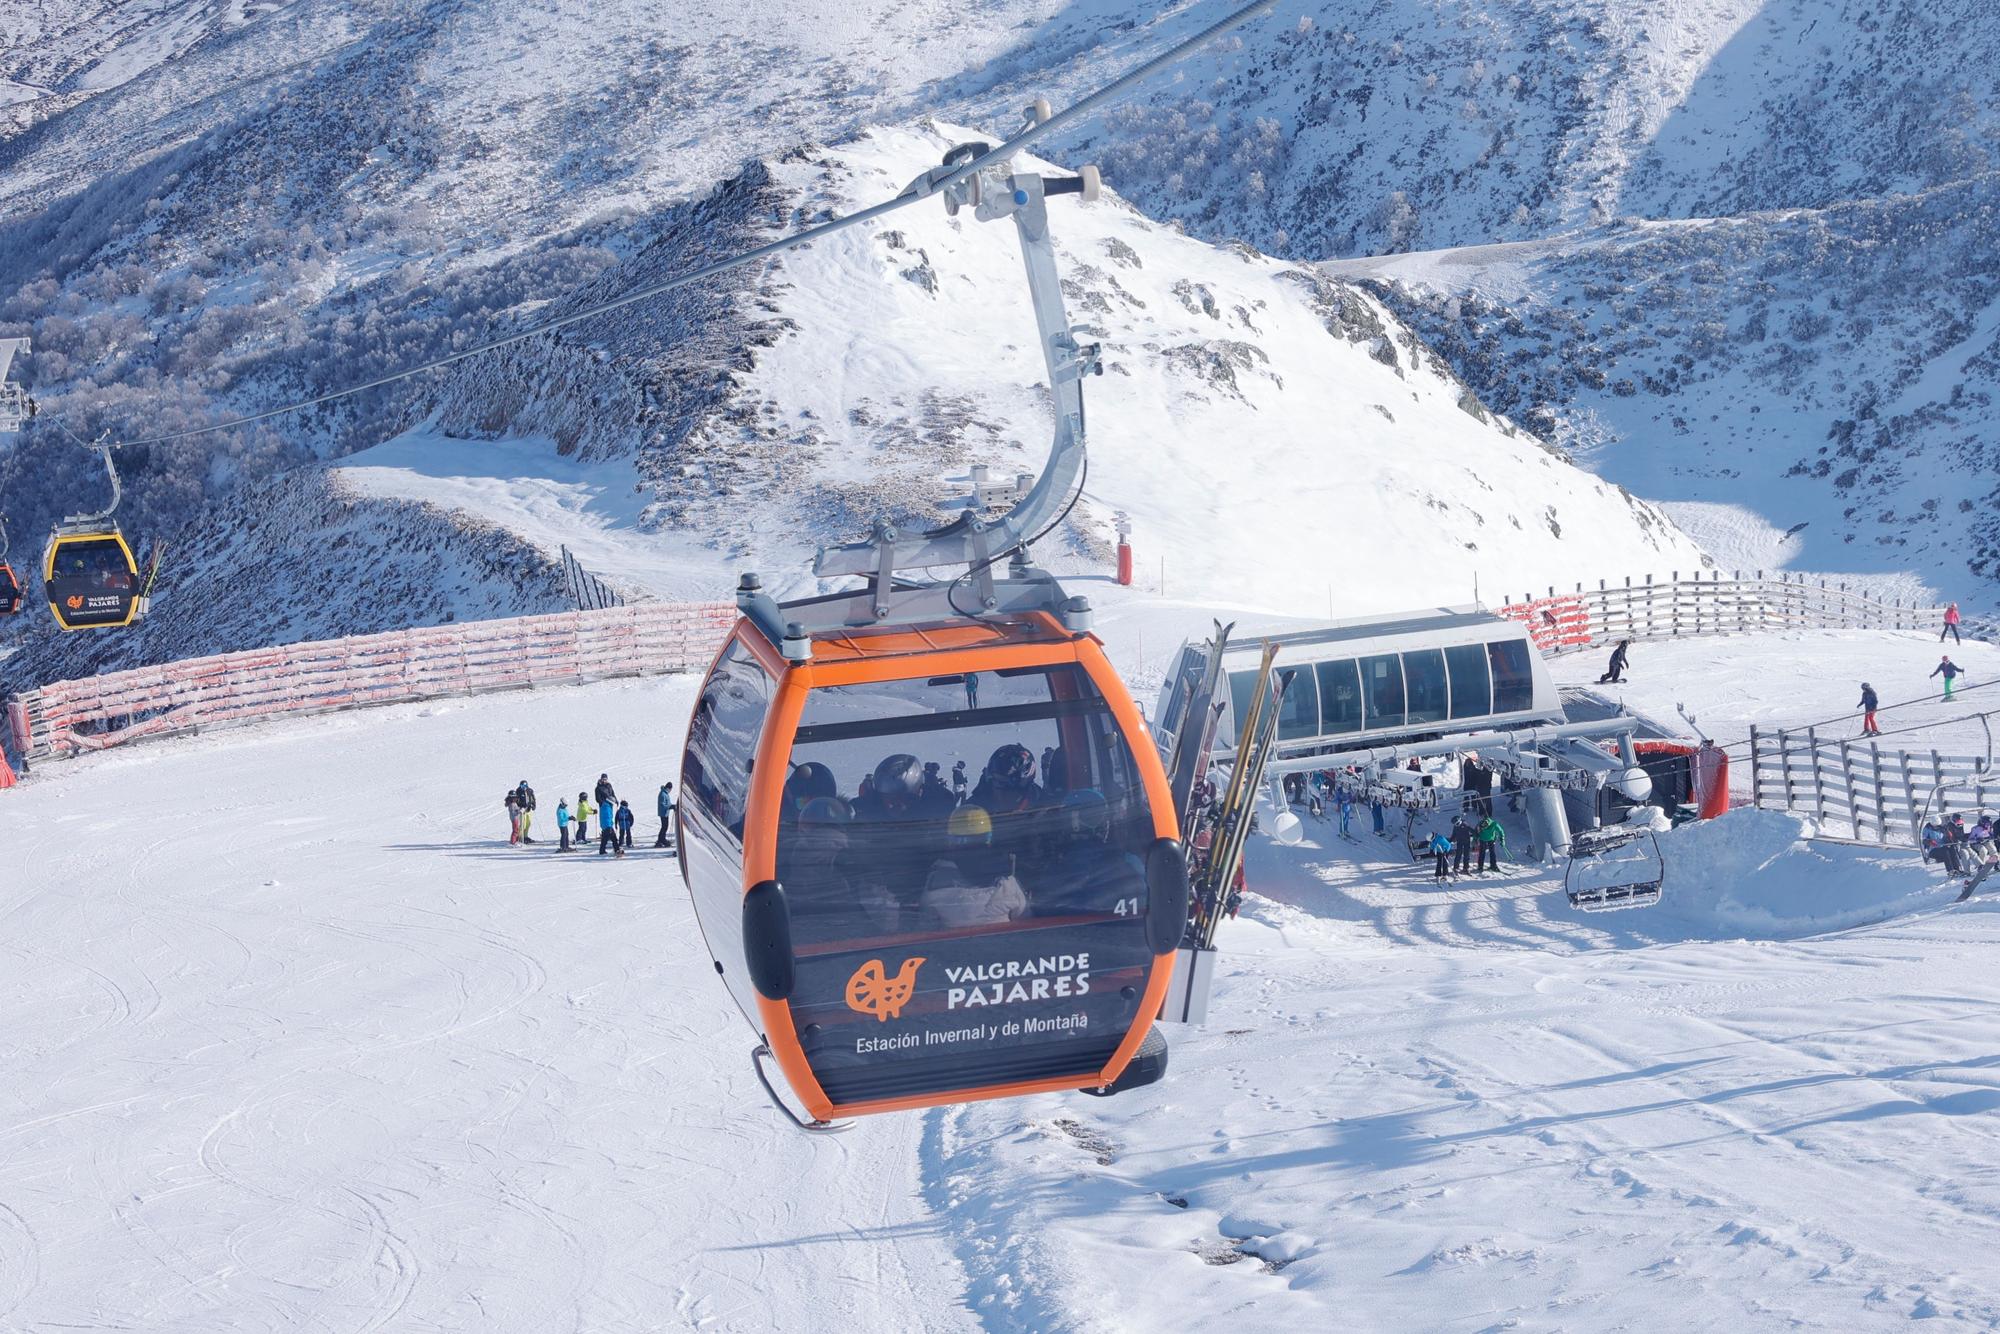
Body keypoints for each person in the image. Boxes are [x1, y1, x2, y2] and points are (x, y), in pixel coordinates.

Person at [921, 805, 1028, 927]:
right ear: (989, 838)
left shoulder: (935, 886)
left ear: (951, 840)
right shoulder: (1008, 885)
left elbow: (926, 925)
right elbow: (1025, 920)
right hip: (1003, 944)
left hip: (952, 945)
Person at [969, 743, 1047, 816]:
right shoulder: (974, 810)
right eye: (994, 781)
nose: (998, 791)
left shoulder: (1046, 809)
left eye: (1004, 784)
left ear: (1024, 786)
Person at [656, 782, 677, 848]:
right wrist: (670, 807)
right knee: (664, 827)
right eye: (670, 789)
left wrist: (672, 806)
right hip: (663, 813)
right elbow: (662, 805)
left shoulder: (665, 793)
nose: (670, 790)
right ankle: (661, 840)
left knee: (665, 826)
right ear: (668, 788)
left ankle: (661, 839)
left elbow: (668, 803)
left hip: (665, 812)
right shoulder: (663, 794)